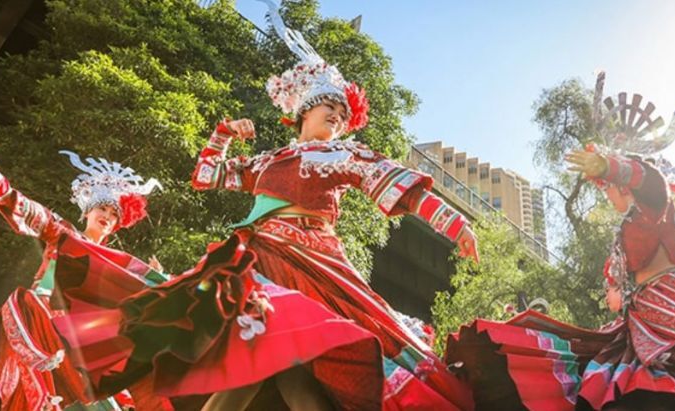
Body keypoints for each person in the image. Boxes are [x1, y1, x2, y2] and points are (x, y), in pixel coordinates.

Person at [101, 1, 478, 410]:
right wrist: (224, 133)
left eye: (342, 113)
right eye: (329, 108)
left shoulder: (345, 155)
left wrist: (456, 225)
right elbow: (207, 176)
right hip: (256, 260)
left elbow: (399, 186)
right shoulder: (267, 161)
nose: (336, 117)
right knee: (263, 358)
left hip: (312, 265)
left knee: (278, 359)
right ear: (303, 111)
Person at [444, 73, 675, 411]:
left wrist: (609, 165)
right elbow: (616, 296)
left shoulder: (656, 206)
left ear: (622, 182)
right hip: (638, 322)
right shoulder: (627, 227)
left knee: (673, 374)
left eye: (607, 185)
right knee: (602, 386)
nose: (606, 193)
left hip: (673, 302)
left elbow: (651, 182)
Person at [0, 149, 168, 410]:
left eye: (113, 213)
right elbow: (21, 206)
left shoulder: (117, 263)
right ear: (87, 212)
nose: (107, 216)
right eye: (102, 209)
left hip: (83, 336)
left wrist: (156, 279)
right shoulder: (64, 234)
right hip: (41, 321)